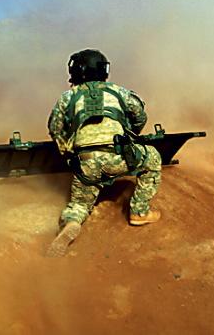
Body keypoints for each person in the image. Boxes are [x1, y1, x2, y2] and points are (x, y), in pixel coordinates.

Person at [46, 49, 162, 257]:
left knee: (79, 204)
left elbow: (55, 128)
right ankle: (139, 212)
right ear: (104, 70)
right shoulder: (118, 92)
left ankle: (72, 222)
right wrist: (130, 135)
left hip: (86, 162)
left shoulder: (67, 97)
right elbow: (140, 116)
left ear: (75, 71)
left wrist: (67, 150)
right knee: (152, 157)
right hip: (118, 156)